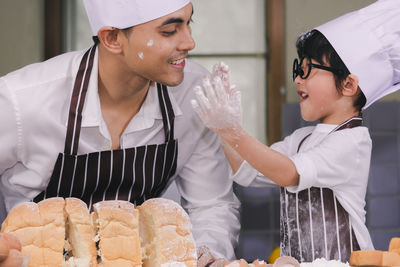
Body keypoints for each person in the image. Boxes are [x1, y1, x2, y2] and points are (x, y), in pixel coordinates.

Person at [0, 0, 240, 264]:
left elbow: (211, 204)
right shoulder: (20, 102)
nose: (189, 43)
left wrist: (206, 255)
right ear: (112, 38)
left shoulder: (193, 94)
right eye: (169, 31)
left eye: (188, 23)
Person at [192, 0, 400, 263]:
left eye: (308, 70)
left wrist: (233, 132)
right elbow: (249, 173)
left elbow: (288, 172)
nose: (297, 80)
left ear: (348, 85)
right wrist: (221, 129)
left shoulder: (353, 142)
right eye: (297, 70)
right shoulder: (303, 139)